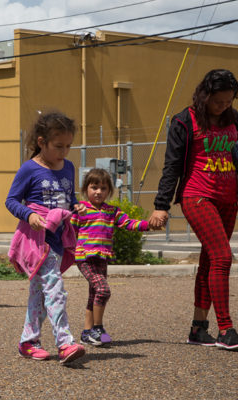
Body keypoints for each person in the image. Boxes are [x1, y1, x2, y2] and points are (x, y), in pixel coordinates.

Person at [149, 69, 238, 350]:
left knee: (211, 261)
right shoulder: (184, 121)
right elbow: (172, 165)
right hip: (197, 196)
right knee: (224, 257)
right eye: (218, 101)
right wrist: (161, 206)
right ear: (205, 95)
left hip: (228, 199)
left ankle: (199, 329)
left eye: (229, 101)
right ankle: (226, 329)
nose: (223, 106)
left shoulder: (234, 119)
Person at [5, 111, 86, 364]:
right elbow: (10, 201)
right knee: (55, 289)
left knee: (40, 293)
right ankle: (65, 343)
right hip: (37, 241)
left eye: (68, 146)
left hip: (59, 238)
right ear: (42, 142)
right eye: (58, 146)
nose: (64, 152)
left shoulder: (69, 167)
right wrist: (28, 215)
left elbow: (69, 198)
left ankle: (28, 342)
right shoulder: (29, 169)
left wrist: (77, 206)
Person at [71, 168, 152, 347]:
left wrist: (148, 225)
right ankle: (98, 329)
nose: (99, 191)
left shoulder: (111, 211)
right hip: (84, 258)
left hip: (102, 258)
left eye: (103, 188)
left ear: (109, 191)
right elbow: (70, 232)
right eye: (94, 187)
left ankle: (87, 333)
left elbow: (128, 223)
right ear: (86, 189)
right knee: (103, 290)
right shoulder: (81, 210)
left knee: (94, 294)